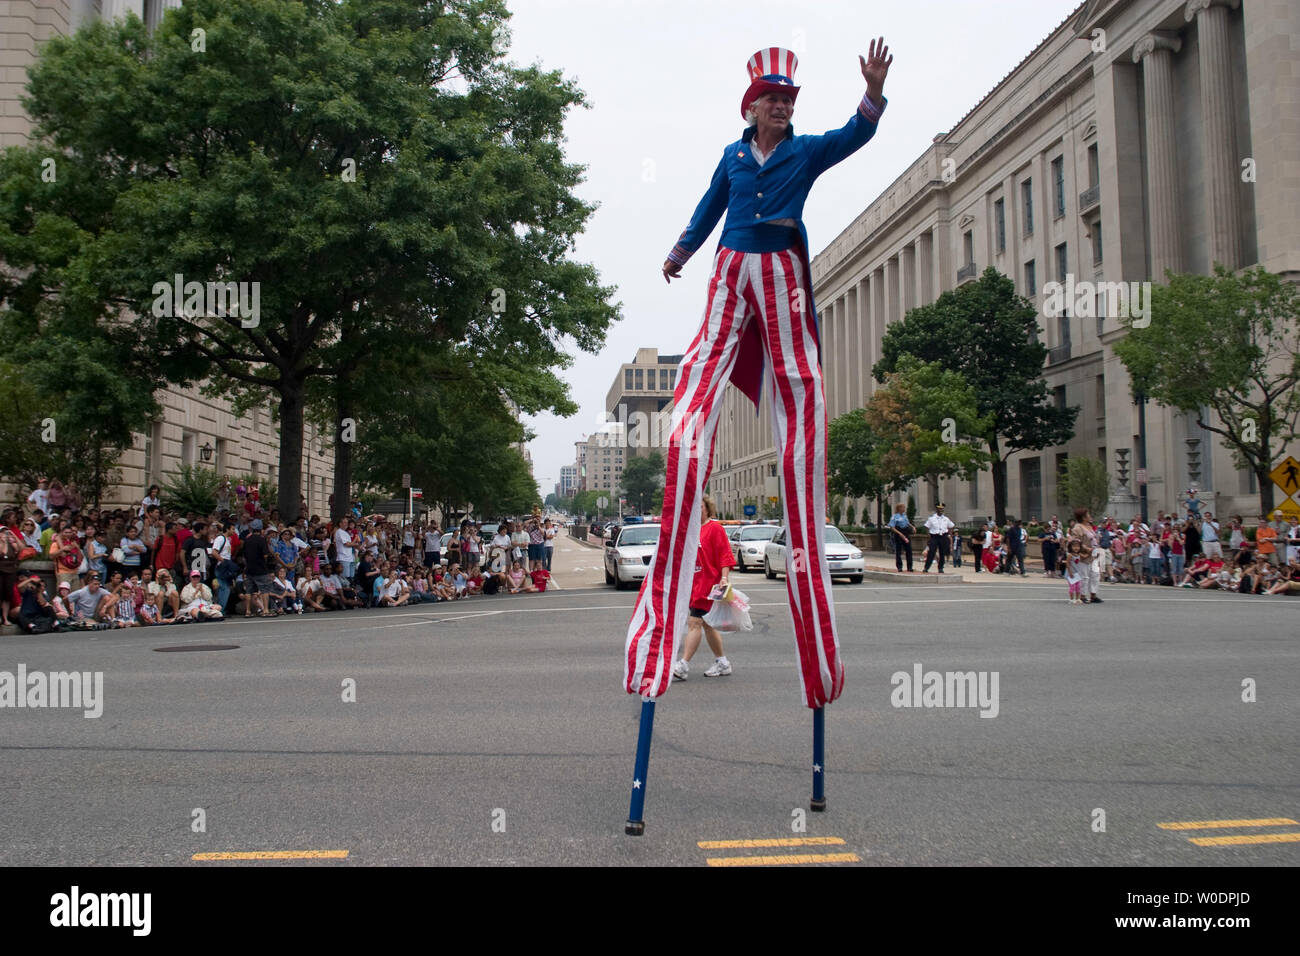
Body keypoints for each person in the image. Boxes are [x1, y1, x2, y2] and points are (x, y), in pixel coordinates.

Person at [626, 39, 892, 708]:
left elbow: (856, 135)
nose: (782, 106)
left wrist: (873, 92)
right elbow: (710, 204)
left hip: (778, 266)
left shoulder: (804, 152)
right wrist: (682, 249)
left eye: (788, 99)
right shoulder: (733, 155)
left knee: (798, 374)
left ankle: (799, 434)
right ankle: (690, 422)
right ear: (752, 108)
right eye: (773, 99)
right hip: (730, 264)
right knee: (708, 351)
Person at [672, 496, 735, 681]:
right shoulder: (690, 532)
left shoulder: (714, 528)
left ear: (707, 509)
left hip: (709, 584)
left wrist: (724, 578)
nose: (697, 511)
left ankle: (683, 664)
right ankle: (722, 662)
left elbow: (725, 554)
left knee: (694, 622)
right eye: (694, 508)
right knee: (708, 624)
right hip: (695, 584)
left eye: (700, 507)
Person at [922, 503, 954, 573]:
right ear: (936, 509)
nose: (941, 510)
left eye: (942, 509)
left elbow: (951, 526)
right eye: (939, 509)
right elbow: (927, 527)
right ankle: (926, 567)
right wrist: (929, 536)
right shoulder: (931, 518)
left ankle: (940, 568)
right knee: (931, 552)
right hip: (934, 536)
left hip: (943, 536)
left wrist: (949, 535)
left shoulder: (946, 519)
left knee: (942, 553)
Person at [887, 503, 914, 572]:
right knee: (898, 551)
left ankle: (910, 567)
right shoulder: (895, 517)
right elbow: (892, 527)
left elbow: (907, 523)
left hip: (906, 533)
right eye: (903, 507)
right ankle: (899, 567)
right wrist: (900, 533)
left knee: (909, 550)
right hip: (898, 533)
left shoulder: (905, 516)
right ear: (899, 508)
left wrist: (912, 527)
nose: (904, 509)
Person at [1063, 540, 1086, 606]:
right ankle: (1071, 599)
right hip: (1071, 573)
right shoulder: (1070, 555)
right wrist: (1070, 572)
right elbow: (1067, 564)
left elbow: (1085, 557)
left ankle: (1077, 598)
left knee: (1078, 586)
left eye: (1078, 546)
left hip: (1077, 574)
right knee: (1072, 587)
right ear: (1071, 547)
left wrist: (1092, 553)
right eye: (1074, 546)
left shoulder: (1079, 554)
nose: (1076, 548)